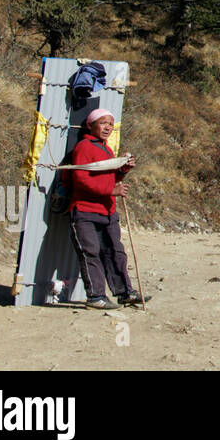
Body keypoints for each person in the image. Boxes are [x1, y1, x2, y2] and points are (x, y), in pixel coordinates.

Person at [67, 108, 142, 309]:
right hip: (84, 210)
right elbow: (81, 180)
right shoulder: (84, 147)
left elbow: (108, 178)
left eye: (110, 123)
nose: (107, 127)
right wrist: (112, 189)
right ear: (90, 125)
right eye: (102, 123)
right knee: (90, 253)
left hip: (107, 211)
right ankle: (96, 297)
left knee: (115, 251)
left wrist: (122, 170)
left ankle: (124, 292)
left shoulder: (106, 149)